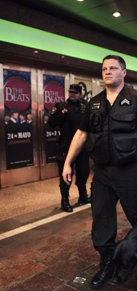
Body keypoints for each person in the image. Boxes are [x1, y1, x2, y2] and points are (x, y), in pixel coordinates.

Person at [62, 55, 137, 289]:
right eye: (104, 69)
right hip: (101, 171)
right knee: (101, 219)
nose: (108, 72)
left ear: (124, 72)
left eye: (113, 68)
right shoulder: (95, 103)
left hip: (130, 171)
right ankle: (107, 262)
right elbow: (81, 134)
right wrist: (68, 162)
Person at [48, 84, 90, 212]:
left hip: (82, 147)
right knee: (66, 175)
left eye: (75, 92)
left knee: (83, 172)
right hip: (65, 147)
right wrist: (61, 113)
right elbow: (51, 123)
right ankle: (65, 201)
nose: (72, 94)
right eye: (70, 92)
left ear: (80, 94)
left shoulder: (84, 107)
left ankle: (83, 196)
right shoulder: (61, 106)